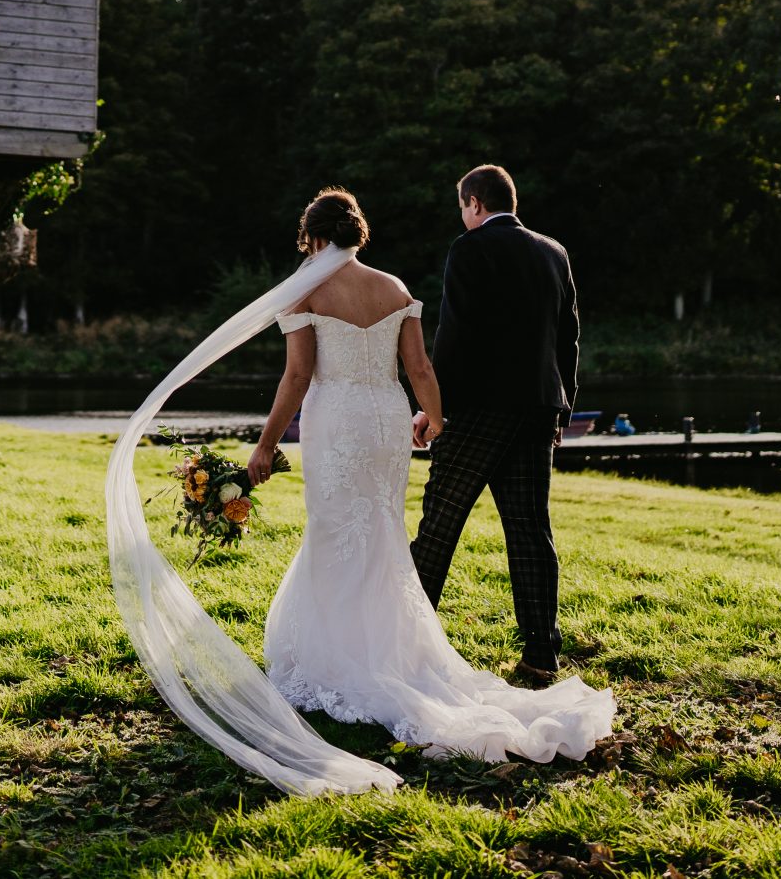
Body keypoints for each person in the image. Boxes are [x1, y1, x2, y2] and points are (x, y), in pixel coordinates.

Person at [100, 183, 611, 795]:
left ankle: (339, 657)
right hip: (389, 421)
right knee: (384, 532)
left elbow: (296, 374)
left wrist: (265, 444)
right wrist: (435, 416)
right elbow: (420, 368)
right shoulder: (395, 288)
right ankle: (407, 647)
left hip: (337, 422)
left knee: (338, 530)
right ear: (358, 234)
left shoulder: (311, 288)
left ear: (313, 238)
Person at [409, 164, 581, 684]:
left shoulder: (470, 248)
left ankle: (409, 647)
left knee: (439, 524)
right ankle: (540, 656)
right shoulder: (554, 252)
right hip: (537, 409)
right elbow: (568, 337)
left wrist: (434, 408)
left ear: (476, 203)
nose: (463, 216)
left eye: (463, 206)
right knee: (530, 531)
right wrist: (562, 407)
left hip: (479, 409)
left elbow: (456, 334)